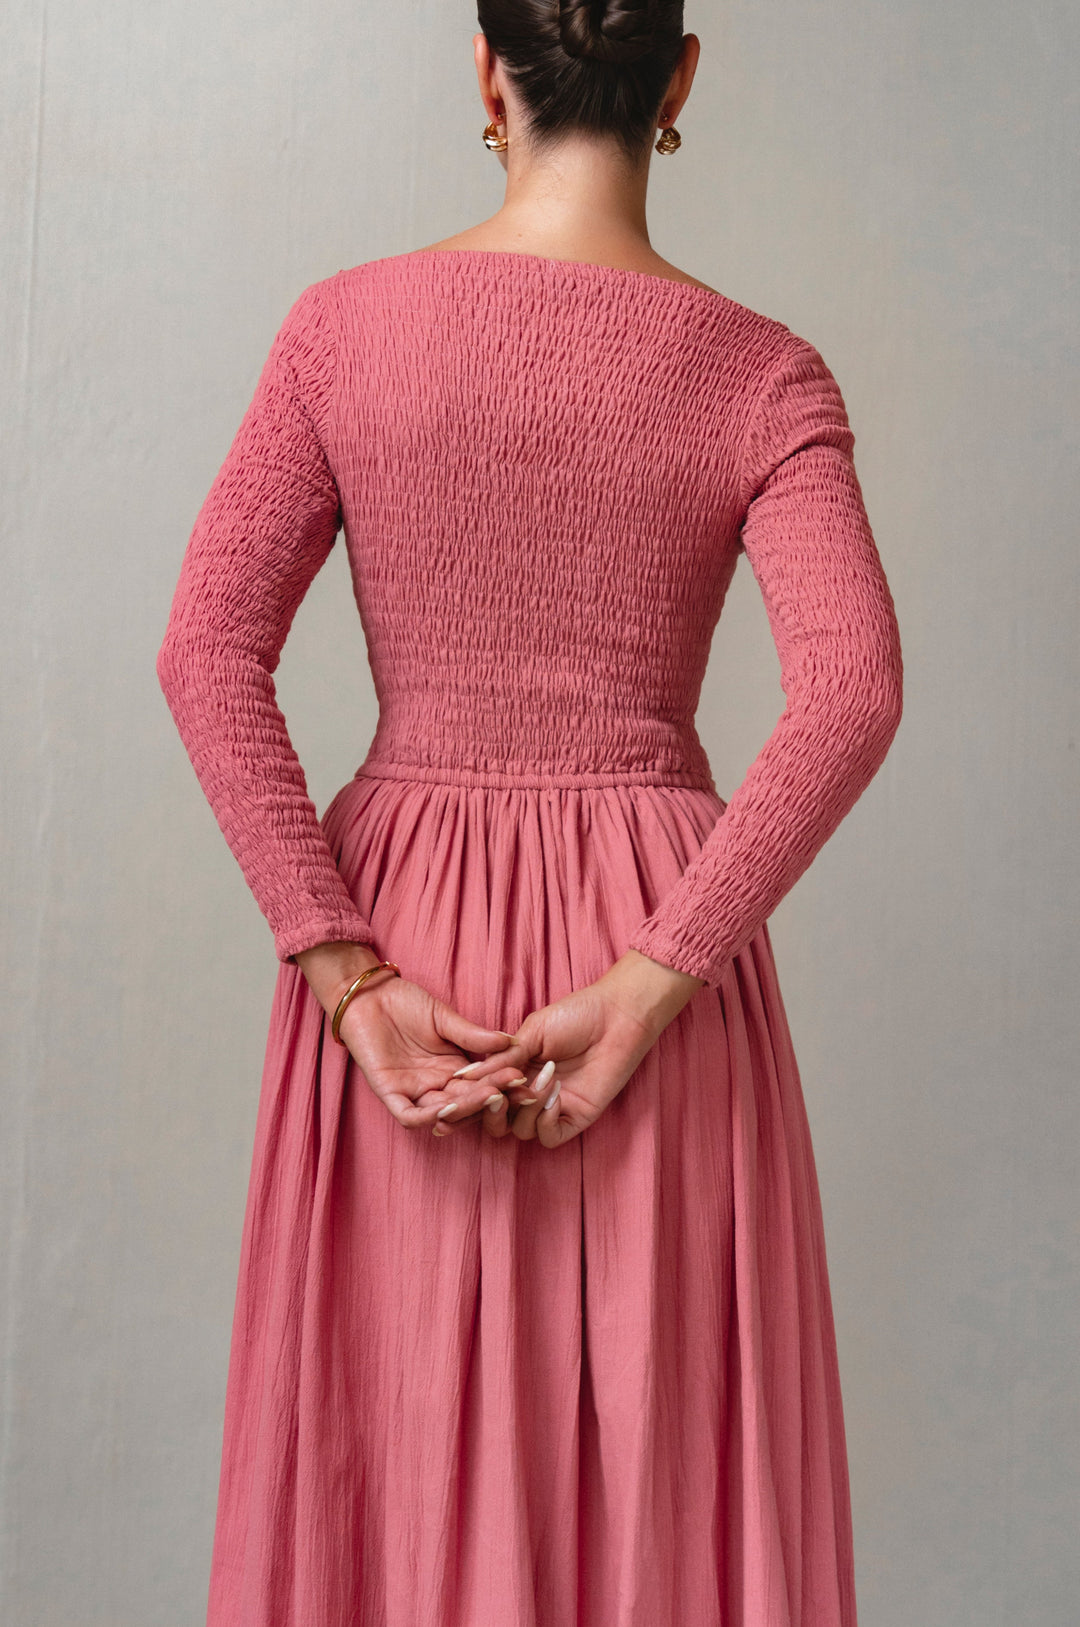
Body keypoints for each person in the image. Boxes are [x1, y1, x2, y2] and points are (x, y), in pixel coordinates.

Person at [157, 3, 903, 1622]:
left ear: (484, 72)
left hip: (400, 938)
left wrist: (344, 972)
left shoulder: (342, 329)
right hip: (654, 949)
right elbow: (851, 693)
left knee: (391, 1449)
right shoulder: (764, 371)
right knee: (663, 1486)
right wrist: (659, 975)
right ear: (679, 82)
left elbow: (205, 650)